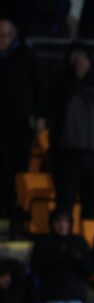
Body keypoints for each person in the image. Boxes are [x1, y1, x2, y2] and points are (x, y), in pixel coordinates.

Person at [48, 42, 94, 219]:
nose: (80, 62)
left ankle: (87, 240)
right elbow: (56, 102)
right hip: (66, 153)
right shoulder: (60, 81)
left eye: (84, 58)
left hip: (92, 154)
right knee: (65, 201)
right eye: (76, 57)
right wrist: (77, 79)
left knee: (91, 202)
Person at [29, 207, 94, 303]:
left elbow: (90, 270)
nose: (62, 225)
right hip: (52, 299)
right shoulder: (43, 242)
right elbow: (36, 268)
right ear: (52, 224)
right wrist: (59, 256)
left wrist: (77, 258)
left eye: (65, 221)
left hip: (75, 299)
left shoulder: (79, 241)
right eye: (58, 221)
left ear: (70, 223)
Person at [0, 18, 45, 226]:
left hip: (19, 125)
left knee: (19, 171)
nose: (3, 40)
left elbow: (38, 89)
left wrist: (40, 116)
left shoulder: (26, 57)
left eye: (6, 35)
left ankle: (15, 213)